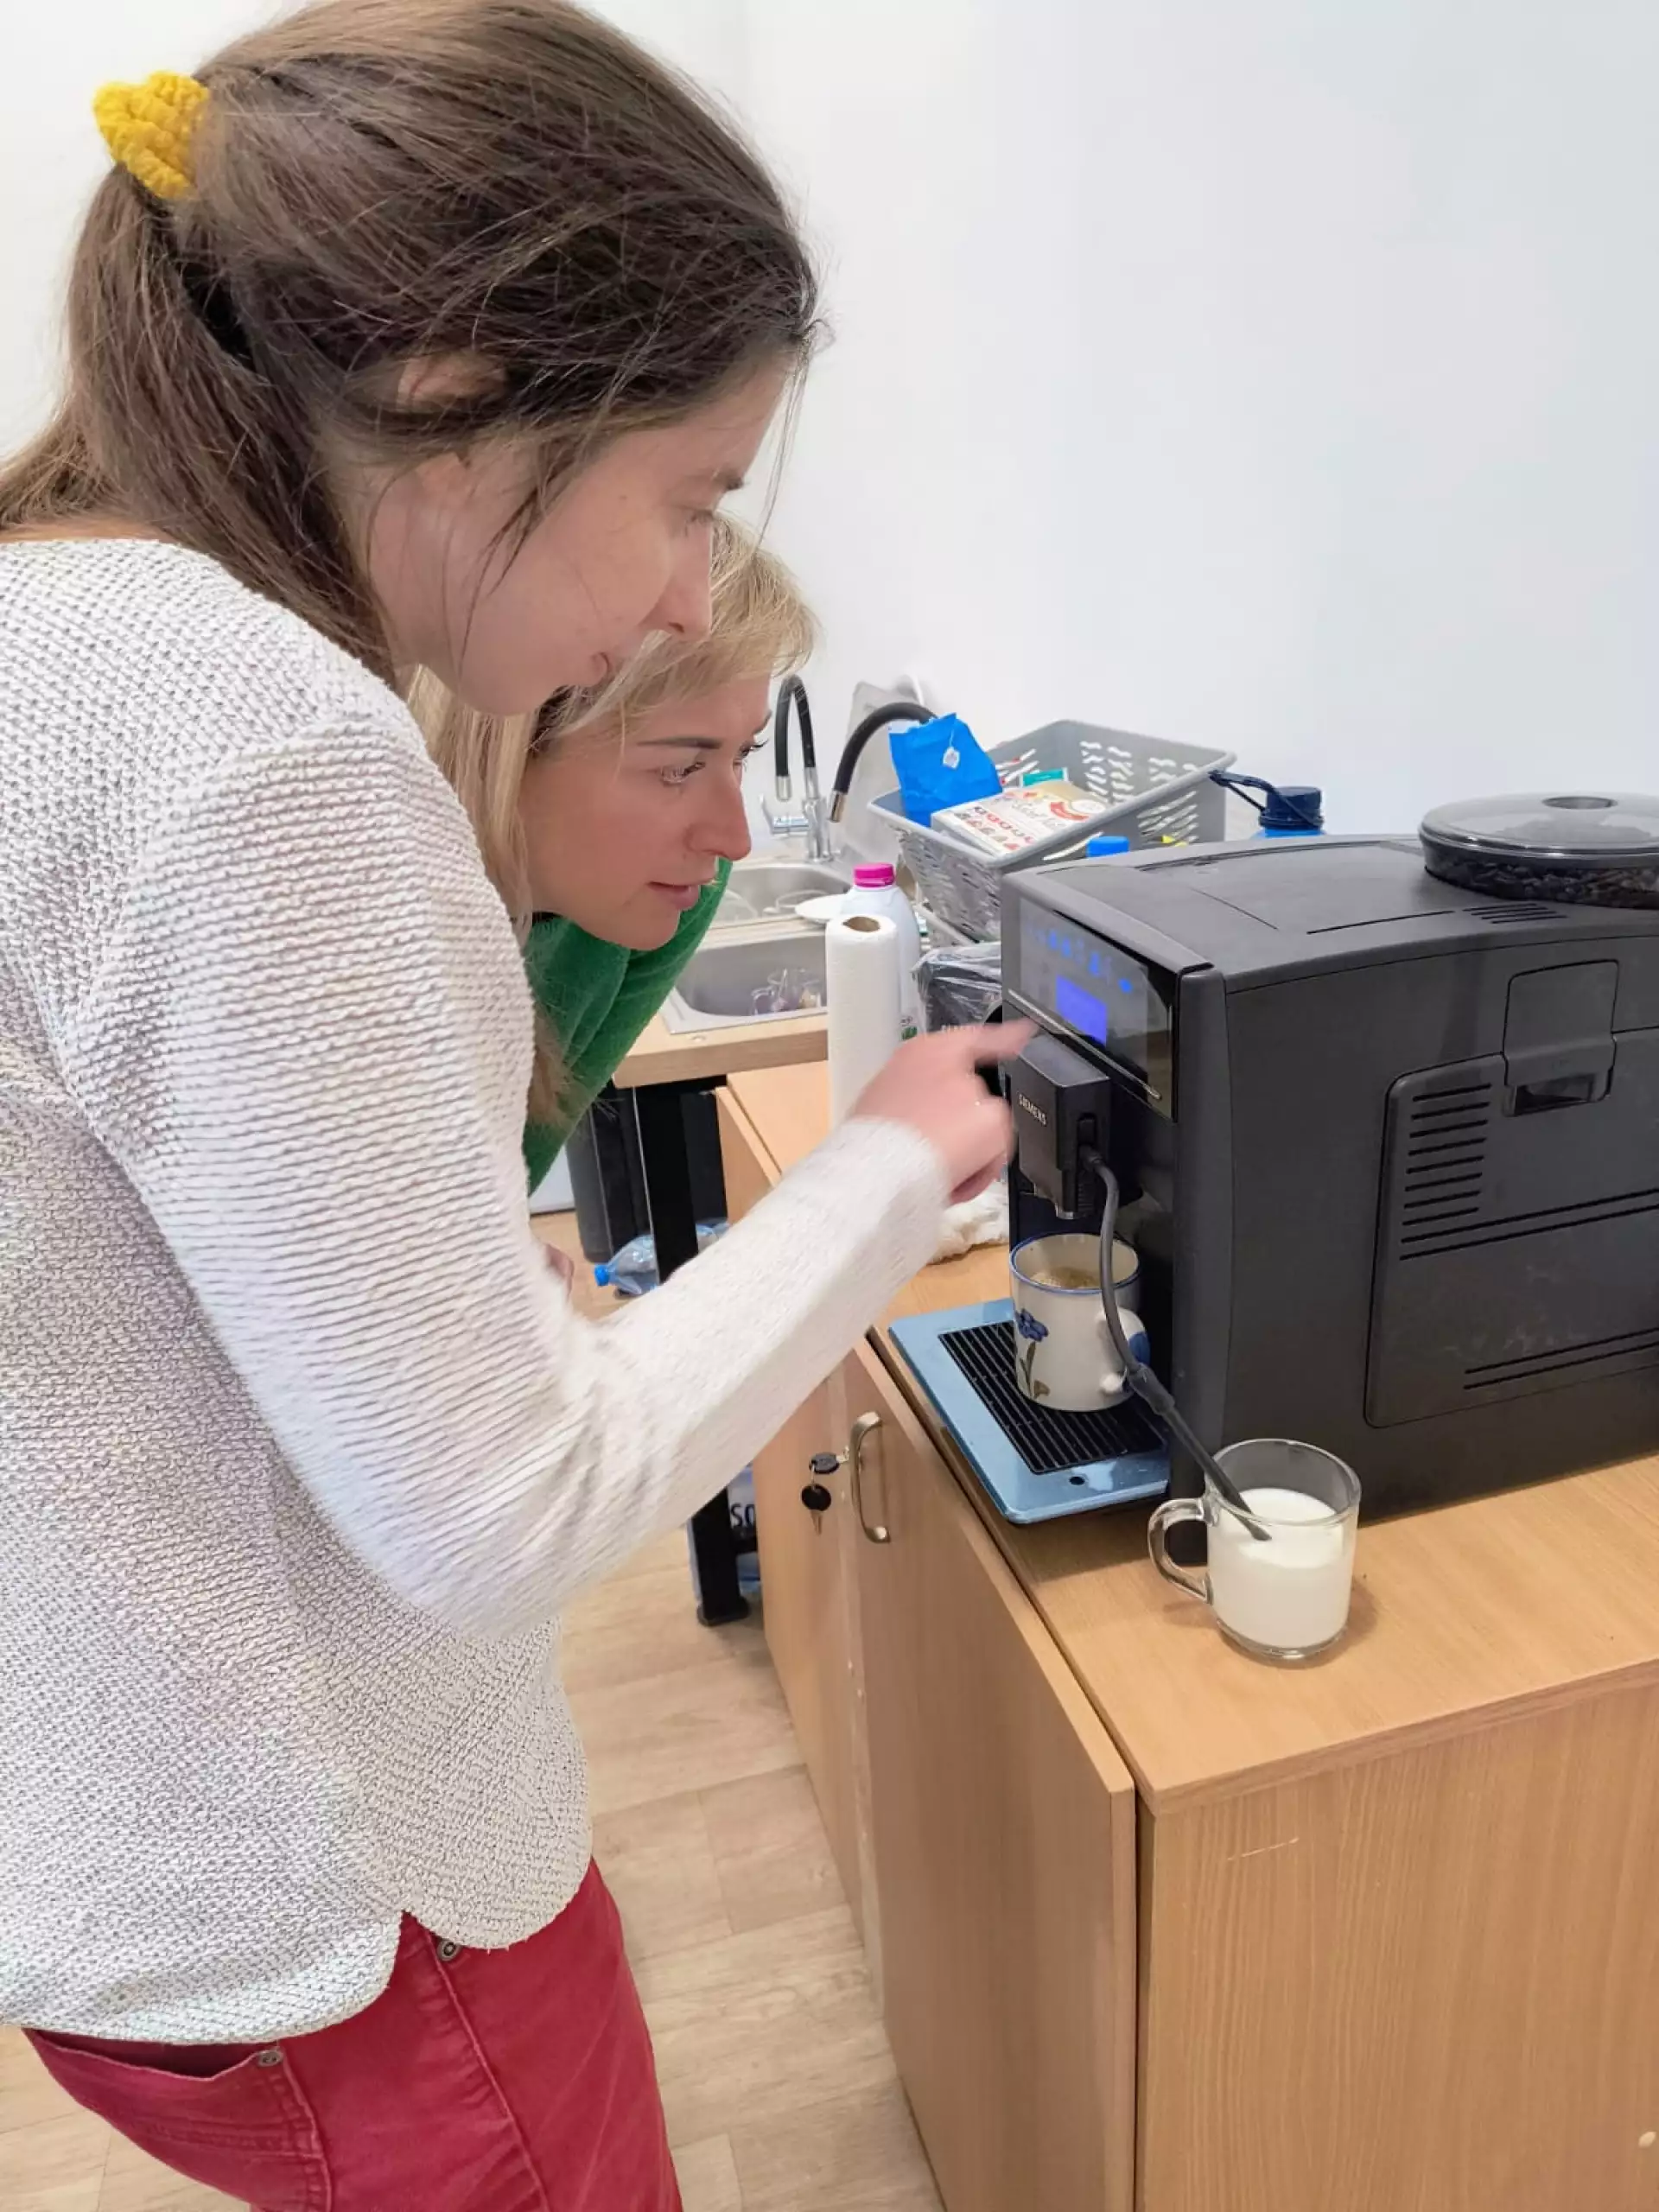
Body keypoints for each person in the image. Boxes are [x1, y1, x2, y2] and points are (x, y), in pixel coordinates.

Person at [0, 7, 1020, 2209]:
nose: (680, 591)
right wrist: (891, 1161)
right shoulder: (254, 738)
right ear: (464, 395)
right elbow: (498, 1505)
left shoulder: (54, 635)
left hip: (124, 1859)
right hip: (346, 1907)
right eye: (692, 496)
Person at [415, 516, 813, 1193]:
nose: (733, 840)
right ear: (510, 750)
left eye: (742, 753)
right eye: (679, 769)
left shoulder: (669, 899)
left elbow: (497, 1201)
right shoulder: (359, 945)